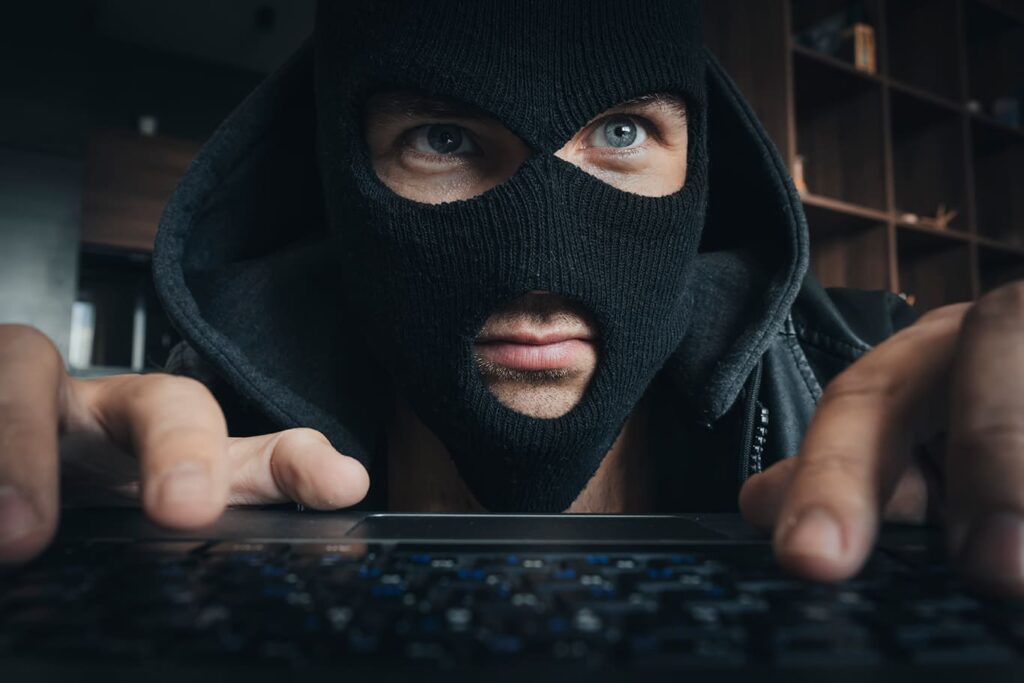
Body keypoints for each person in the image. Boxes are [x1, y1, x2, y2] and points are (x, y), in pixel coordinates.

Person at [1, 0, 1022, 600]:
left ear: (700, 167)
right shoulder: (194, 451)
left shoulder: (872, 387)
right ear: (340, 175)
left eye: (621, 133)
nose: (539, 255)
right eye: (441, 139)